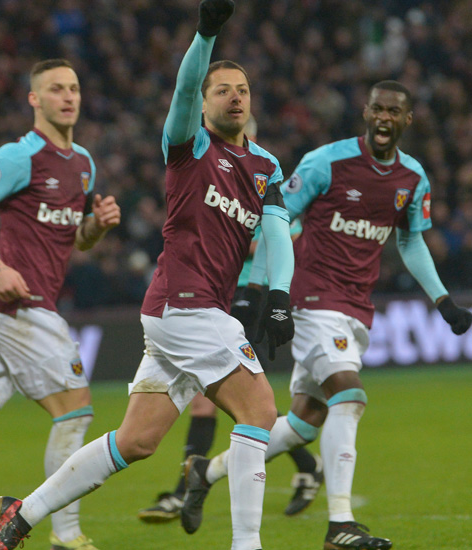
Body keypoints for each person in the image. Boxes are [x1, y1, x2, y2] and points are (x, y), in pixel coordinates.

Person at [0, 2, 297, 549]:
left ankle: (22, 511)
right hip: (185, 306)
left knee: (136, 441)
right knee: (261, 411)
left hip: (188, 315)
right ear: (203, 102)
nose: (234, 95)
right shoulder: (191, 146)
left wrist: (277, 295)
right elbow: (181, 93)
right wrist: (205, 35)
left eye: (242, 89)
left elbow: (274, 231)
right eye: (221, 88)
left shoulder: (267, 165)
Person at [180, 80, 472, 550]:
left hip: (357, 309)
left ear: (407, 120)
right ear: (365, 111)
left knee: (301, 425)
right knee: (351, 397)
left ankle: (205, 471)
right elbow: (275, 222)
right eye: (376, 108)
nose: (383, 118)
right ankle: (341, 525)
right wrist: (256, 291)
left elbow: (410, 240)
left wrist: (442, 301)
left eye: (393, 112)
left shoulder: (412, 178)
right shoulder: (326, 163)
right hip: (312, 302)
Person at [0, 58, 121, 550]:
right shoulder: (18, 156)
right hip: (18, 305)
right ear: (35, 99)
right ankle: (65, 535)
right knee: (75, 410)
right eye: (56, 89)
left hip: (20, 308)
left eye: (74, 87)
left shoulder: (83, 163)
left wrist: (96, 226)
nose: (68, 96)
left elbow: (76, 241)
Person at [137, 117, 322, 522]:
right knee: (234, 405)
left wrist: (256, 294)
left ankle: (191, 486)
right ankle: (299, 466)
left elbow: (275, 241)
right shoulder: (208, 167)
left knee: (246, 406)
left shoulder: (264, 180)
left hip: (244, 300)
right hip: (212, 300)